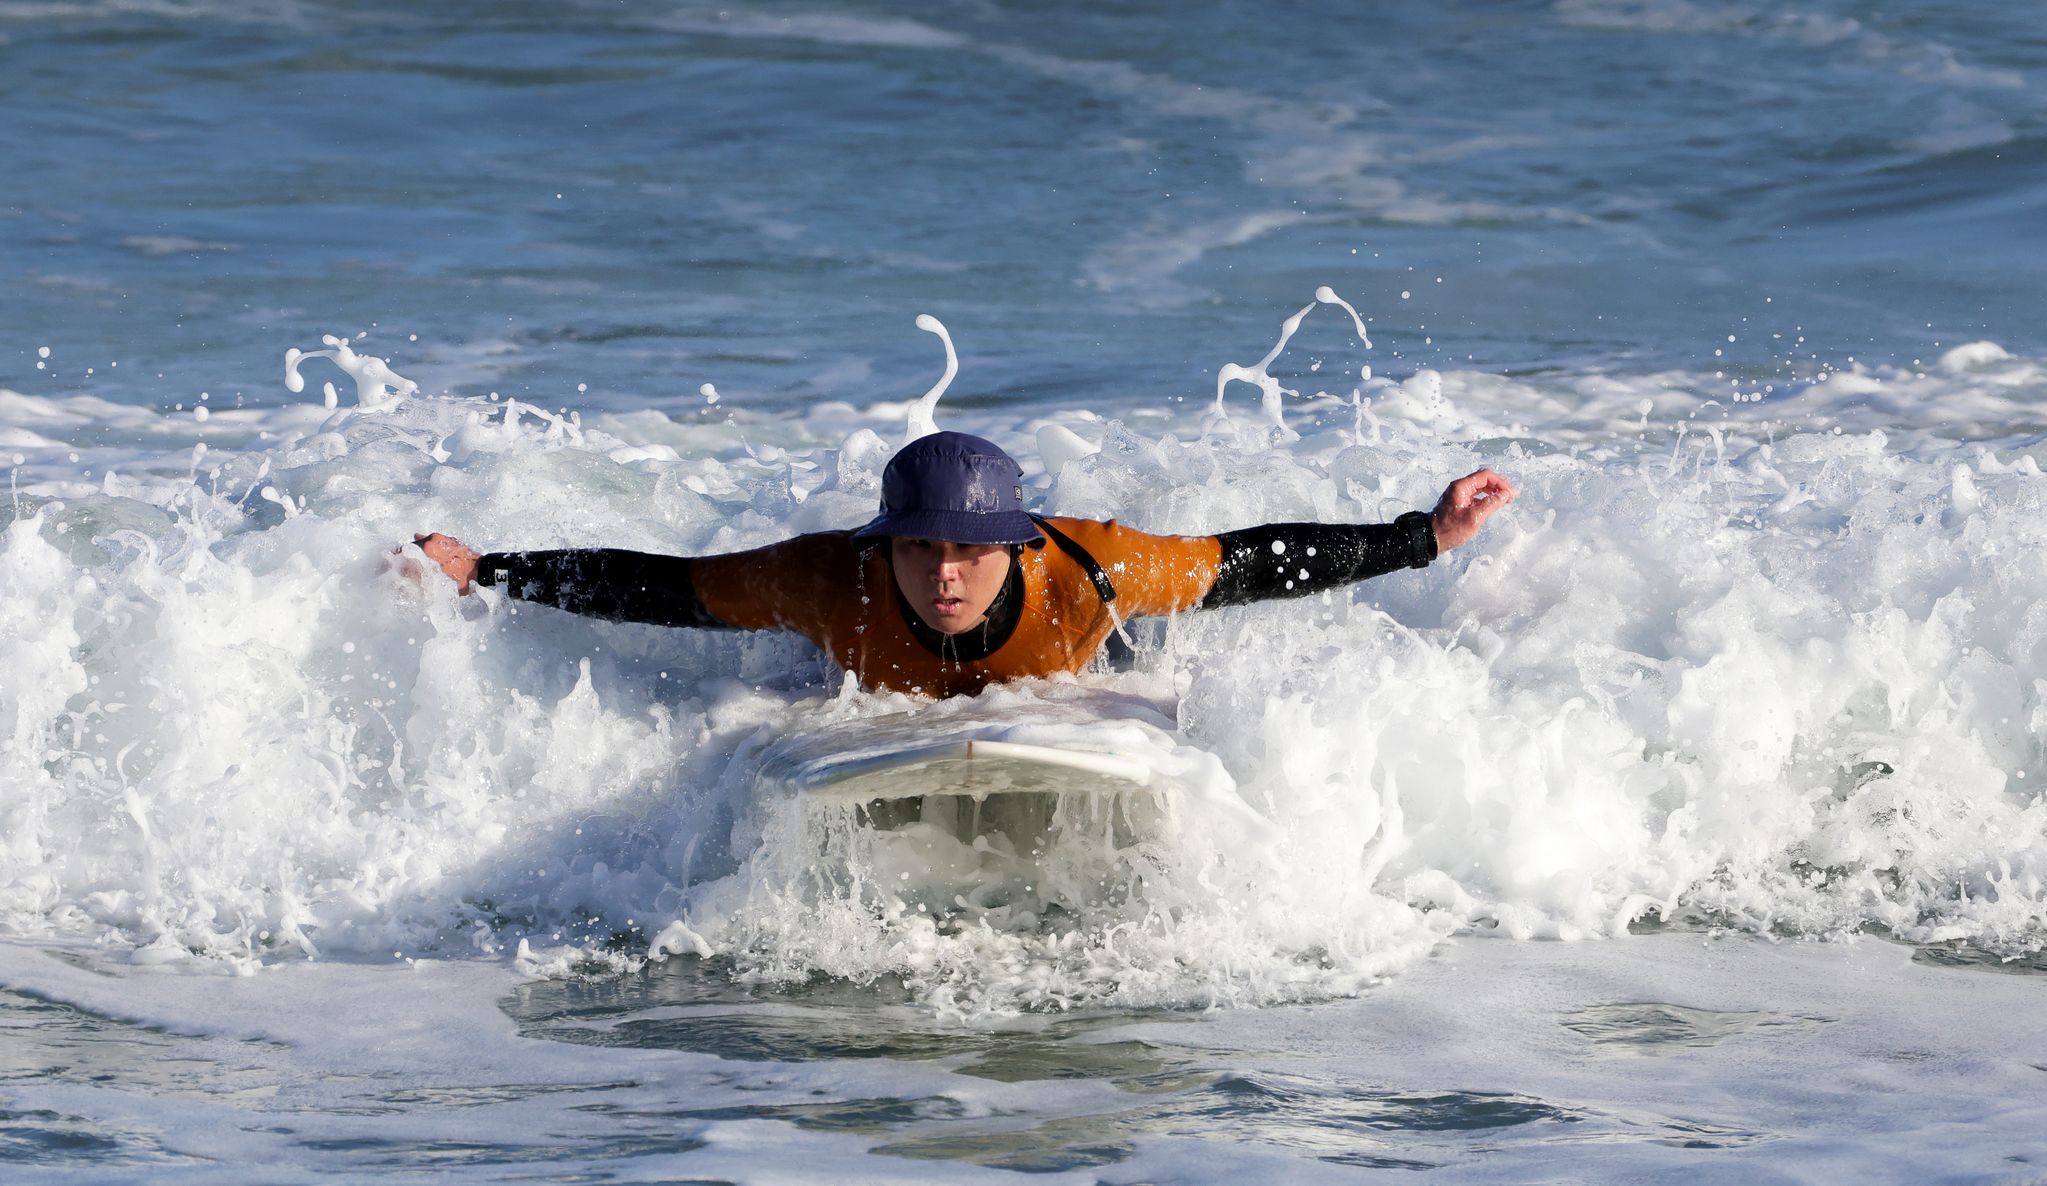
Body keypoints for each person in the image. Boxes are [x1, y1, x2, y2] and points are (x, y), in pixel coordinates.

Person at [412, 431, 1515, 697]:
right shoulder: (822, 580)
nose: (946, 574)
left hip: (1074, 663)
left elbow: (1254, 563)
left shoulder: (1092, 570)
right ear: (885, 545)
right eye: (922, 549)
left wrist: (1423, 535)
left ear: (1012, 547)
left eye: (971, 553)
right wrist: (487, 571)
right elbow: (664, 588)